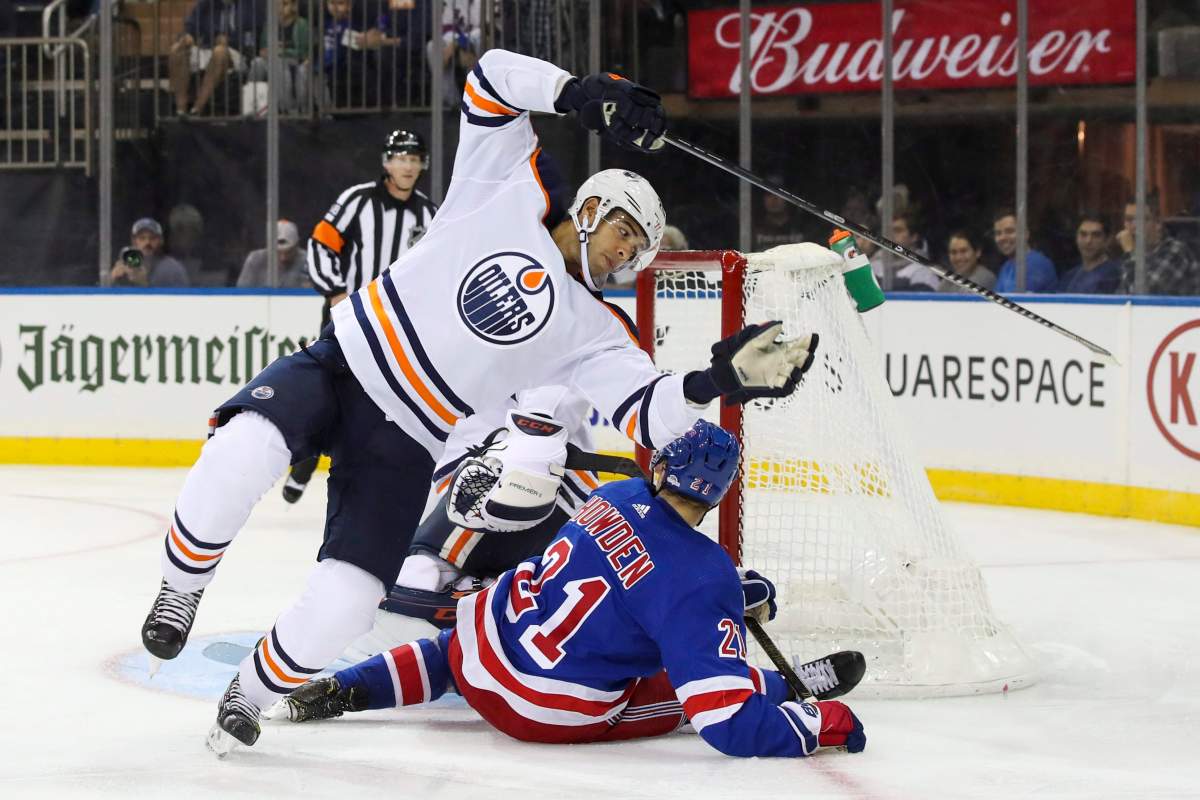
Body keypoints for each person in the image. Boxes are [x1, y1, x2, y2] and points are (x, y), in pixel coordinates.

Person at [137, 49, 820, 754]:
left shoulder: (596, 329)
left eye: (638, 250)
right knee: (244, 446)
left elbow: (648, 414)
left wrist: (716, 382)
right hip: (344, 364)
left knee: (349, 602)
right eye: (624, 232)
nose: (626, 254)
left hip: (409, 437)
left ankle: (248, 695)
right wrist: (579, 93)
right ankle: (181, 588)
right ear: (592, 208)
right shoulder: (507, 187)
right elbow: (490, 78)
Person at [279, 420, 867, 759]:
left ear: (663, 467)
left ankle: (346, 688)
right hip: (542, 711)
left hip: (480, 656)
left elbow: (637, 572)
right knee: (677, 691)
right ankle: (790, 688)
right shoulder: (703, 576)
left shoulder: (613, 495)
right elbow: (726, 725)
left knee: (455, 649)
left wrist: (724, 597)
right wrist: (832, 724)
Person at [284, 129, 438, 504]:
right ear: (387, 163)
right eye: (401, 158)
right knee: (327, 390)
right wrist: (336, 291)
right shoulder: (357, 200)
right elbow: (322, 243)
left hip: (397, 327)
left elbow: (437, 268)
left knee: (379, 404)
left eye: (414, 159)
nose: (408, 166)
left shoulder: (429, 214)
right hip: (349, 317)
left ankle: (361, 479)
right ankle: (305, 459)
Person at [169, 0, 264, 116]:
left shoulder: (251, 5)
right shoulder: (206, 4)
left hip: (239, 53)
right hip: (208, 49)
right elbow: (190, 27)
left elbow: (253, 37)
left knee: (219, 52)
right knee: (176, 49)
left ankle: (197, 108)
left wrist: (230, 41)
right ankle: (180, 110)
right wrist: (187, 37)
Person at [1116, 197, 1200, 296]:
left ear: (1158, 223)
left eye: (1141, 219)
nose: (1134, 226)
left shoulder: (1175, 251)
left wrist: (1129, 252)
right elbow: (1120, 295)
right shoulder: (1138, 256)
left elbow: (1145, 293)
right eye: (1129, 219)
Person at [246, 0, 311, 114]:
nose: (280, 8)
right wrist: (265, 52)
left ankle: (286, 109)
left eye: (285, 4)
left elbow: (303, 53)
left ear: (293, 6)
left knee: (279, 63)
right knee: (257, 62)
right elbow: (262, 48)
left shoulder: (301, 24)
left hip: (293, 61)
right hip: (270, 59)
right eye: (276, 4)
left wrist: (280, 52)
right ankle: (251, 107)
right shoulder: (269, 24)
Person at [107, 218, 190, 287]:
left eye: (153, 238)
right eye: (142, 238)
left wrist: (144, 284)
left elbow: (183, 298)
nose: (147, 243)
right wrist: (112, 280)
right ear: (134, 241)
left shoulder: (173, 269)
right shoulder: (126, 264)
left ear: (161, 240)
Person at [992, 209, 1057, 293]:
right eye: (998, 233)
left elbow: (1017, 300)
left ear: (1026, 234)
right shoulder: (1006, 266)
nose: (1002, 237)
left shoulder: (1037, 264)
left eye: (1010, 231)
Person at [873, 211, 938, 291]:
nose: (890, 235)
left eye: (898, 230)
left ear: (914, 237)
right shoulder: (874, 265)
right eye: (888, 231)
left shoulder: (924, 272)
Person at [236, 219, 311, 288]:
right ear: (269, 247)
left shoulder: (309, 262)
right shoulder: (255, 260)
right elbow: (242, 292)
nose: (283, 258)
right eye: (278, 252)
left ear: (297, 245)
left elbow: (312, 293)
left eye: (289, 252)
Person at [1059, 213, 1121, 294]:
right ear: (1076, 238)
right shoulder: (1069, 277)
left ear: (1107, 240)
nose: (1088, 241)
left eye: (1096, 235)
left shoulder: (1113, 275)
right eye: (1083, 234)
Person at [752, 177, 807, 252]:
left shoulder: (803, 226)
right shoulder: (752, 227)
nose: (774, 199)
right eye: (769, 194)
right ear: (762, 198)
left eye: (780, 194)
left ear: (789, 198)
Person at [937, 229, 995, 294]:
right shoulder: (949, 279)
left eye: (963, 251)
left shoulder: (985, 277)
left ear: (978, 252)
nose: (958, 257)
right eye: (953, 252)